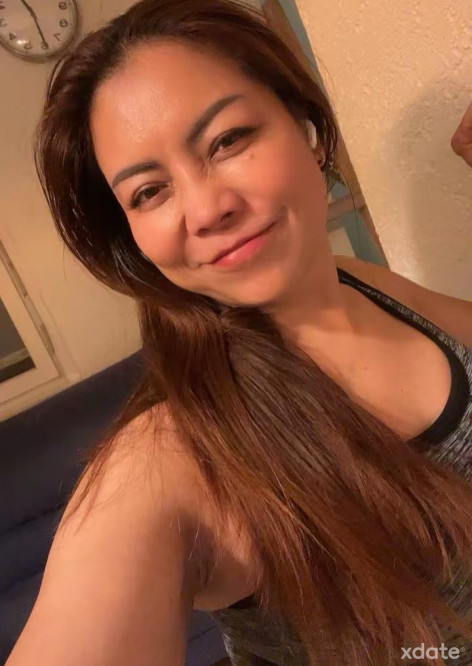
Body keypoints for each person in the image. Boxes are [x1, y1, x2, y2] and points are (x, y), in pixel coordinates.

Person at [6, 1, 472, 664]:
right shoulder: (169, 459)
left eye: (226, 141)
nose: (206, 208)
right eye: (148, 192)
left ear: (306, 128)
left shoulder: (357, 282)